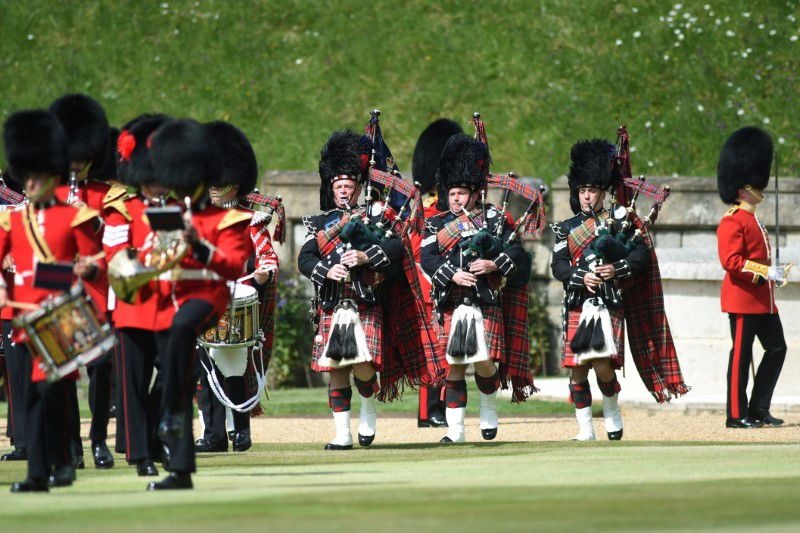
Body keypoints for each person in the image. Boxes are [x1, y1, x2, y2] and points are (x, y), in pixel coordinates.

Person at [551, 138, 688, 441]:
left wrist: (615, 269)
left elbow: (640, 257)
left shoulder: (620, 222)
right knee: (576, 370)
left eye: (592, 191)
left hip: (607, 302)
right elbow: (557, 266)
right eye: (582, 191)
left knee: (601, 365)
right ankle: (585, 429)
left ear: (603, 191)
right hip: (577, 302)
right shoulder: (566, 227)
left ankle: (611, 411)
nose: (587, 196)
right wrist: (580, 277)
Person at [0, 109, 106, 491]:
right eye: (26, 176)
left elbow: (93, 259)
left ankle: (62, 463)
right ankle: (39, 472)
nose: (28, 184)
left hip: (61, 316)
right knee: (32, 396)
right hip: (24, 319)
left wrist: (84, 272)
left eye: (36, 177)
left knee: (54, 393)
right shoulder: (12, 220)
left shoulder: (72, 218)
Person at [146, 119, 252, 490]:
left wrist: (197, 245)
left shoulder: (229, 218)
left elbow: (235, 264)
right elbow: (156, 262)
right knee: (168, 377)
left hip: (206, 297)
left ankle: (168, 419)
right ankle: (176, 459)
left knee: (180, 333)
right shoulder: (167, 215)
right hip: (166, 301)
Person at [298, 130, 403, 450]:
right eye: (338, 186)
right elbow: (305, 257)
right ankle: (342, 435)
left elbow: (395, 249)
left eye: (348, 186)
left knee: (363, 366)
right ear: (331, 189)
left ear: (358, 188)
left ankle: (368, 405)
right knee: (337, 370)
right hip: (332, 302)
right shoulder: (320, 223)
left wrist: (364, 255)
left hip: (363, 299)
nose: (343, 191)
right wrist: (326, 270)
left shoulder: (375, 217)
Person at [420, 133, 527, 443]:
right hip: (452, 300)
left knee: (484, 361)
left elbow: (517, 252)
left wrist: (494, 265)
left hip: (484, 300)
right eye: (452, 193)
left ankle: (489, 412)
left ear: (475, 193)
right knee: (453, 364)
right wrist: (452, 275)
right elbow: (426, 256)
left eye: (462, 193)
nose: (456, 199)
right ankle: (455, 433)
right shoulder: (437, 224)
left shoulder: (494, 219)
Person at [195, 120, 280, 453]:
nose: (216, 189)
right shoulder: (196, 217)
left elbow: (268, 258)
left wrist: (261, 275)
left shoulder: (251, 219)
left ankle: (240, 430)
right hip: (203, 301)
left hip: (238, 301)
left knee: (235, 368)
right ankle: (213, 433)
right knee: (206, 369)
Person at [103, 113, 174, 477]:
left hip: (166, 309)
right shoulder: (122, 212)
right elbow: (116, 261)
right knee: (131, 385)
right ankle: (140, 453)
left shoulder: (173, 210)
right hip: (132, 308)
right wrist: (153, 263)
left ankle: (154, 434)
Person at [49, 92, 115, 469]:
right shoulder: (52, 196)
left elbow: (121, 242)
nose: (77, 165)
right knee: (66, 371)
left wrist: (91, 220)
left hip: (96, 288)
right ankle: (73, 443)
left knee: (101, 366)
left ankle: (99, 440)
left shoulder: (106, 196)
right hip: (64, 289)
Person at [716, 126, 786, 428]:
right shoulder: (733, 220)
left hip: (763, 301)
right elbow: (731, 261)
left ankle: (758, 407)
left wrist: (773, 272)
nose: (761, 189)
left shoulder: (752, 219)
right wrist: (764, 272)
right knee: (741, 358)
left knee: (777, 349)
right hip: (743, 301)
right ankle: (735, 413)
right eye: (755, 185)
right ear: (743, 188)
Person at [410, 118, 463, 428]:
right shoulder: (425, 210)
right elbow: (418, 249)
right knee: (433, 350)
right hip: (429, 286)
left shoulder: (449, 208)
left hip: (451, 287)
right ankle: (429, 410)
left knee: (449, 350)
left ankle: (442, 407)